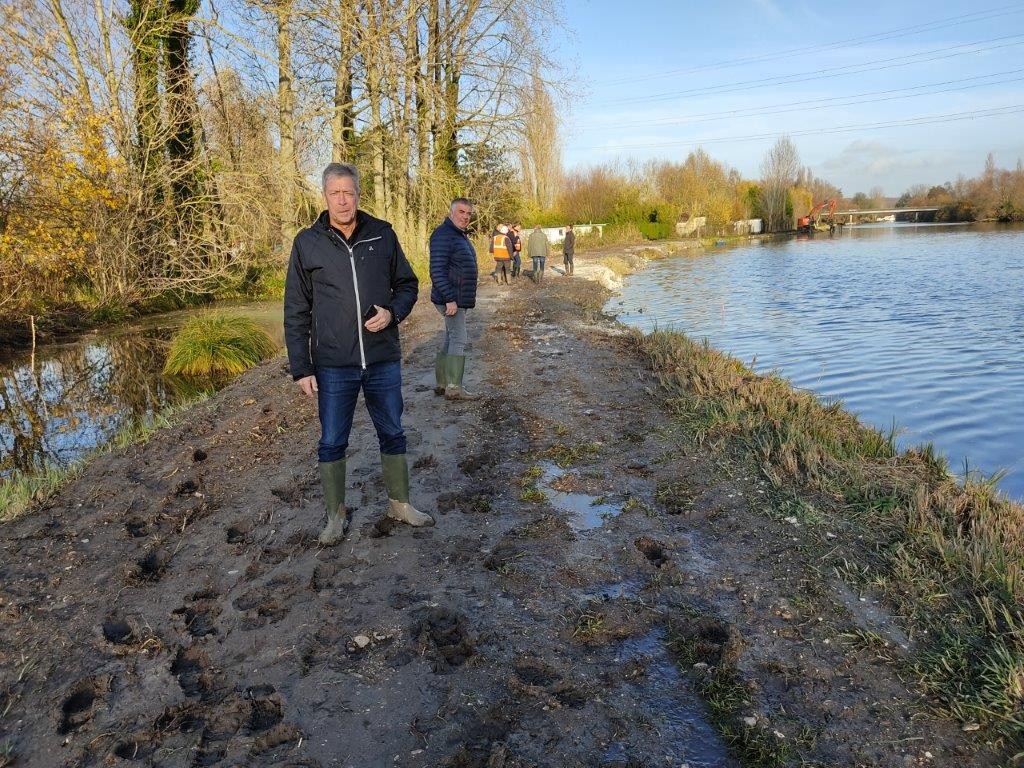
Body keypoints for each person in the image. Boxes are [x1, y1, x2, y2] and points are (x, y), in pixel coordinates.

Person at [284, 162, 432, 547]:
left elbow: (408, 284)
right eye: (335, 193)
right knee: (333, 440)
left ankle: (399, 504)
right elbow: (296, 309)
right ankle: (335, 516)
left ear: (358, 194)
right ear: (324, 196)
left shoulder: (381, 234)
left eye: (349, 192)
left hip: (382, 359)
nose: (343, 200)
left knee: (393, 430)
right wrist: (302, 368)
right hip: (334, 365)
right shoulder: (307, 243)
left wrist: (393, 312)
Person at [429, 198, 482, 401]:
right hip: (451, 298)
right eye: (461, 212)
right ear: (452, 212)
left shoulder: (457, 235)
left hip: (457, 297)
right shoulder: (444, 235)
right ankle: (453, 387)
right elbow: (437, 271)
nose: (466, 217)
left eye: (469, 213)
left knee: (450, 337)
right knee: (459, 337)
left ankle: (443, 384)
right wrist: (450, 298)